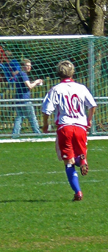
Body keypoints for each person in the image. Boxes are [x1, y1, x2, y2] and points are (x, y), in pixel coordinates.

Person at [41, 60, 97, 201]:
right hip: (80, 127)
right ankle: (81, 160)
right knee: (77, 156)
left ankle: (78, 192)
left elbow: (46, 110)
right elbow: (92, 105)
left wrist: (45, 124)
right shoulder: (81, 88)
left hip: (64, 127)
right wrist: (89, 120)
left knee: (68, 161)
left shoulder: (56, 89)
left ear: (58, 73)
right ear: (73, 72)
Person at [12, 58, 44, 138]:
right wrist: (37, 82)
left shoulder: (19, 74)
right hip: (25, 100)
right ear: (22, 66)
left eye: (30, 66)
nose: (29, 67)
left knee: (19, 117)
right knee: (32, 117)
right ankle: (38, 134)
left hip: (18, 99)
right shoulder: (23, 74)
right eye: (27, 66)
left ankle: (15, 135)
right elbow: (29, 86)